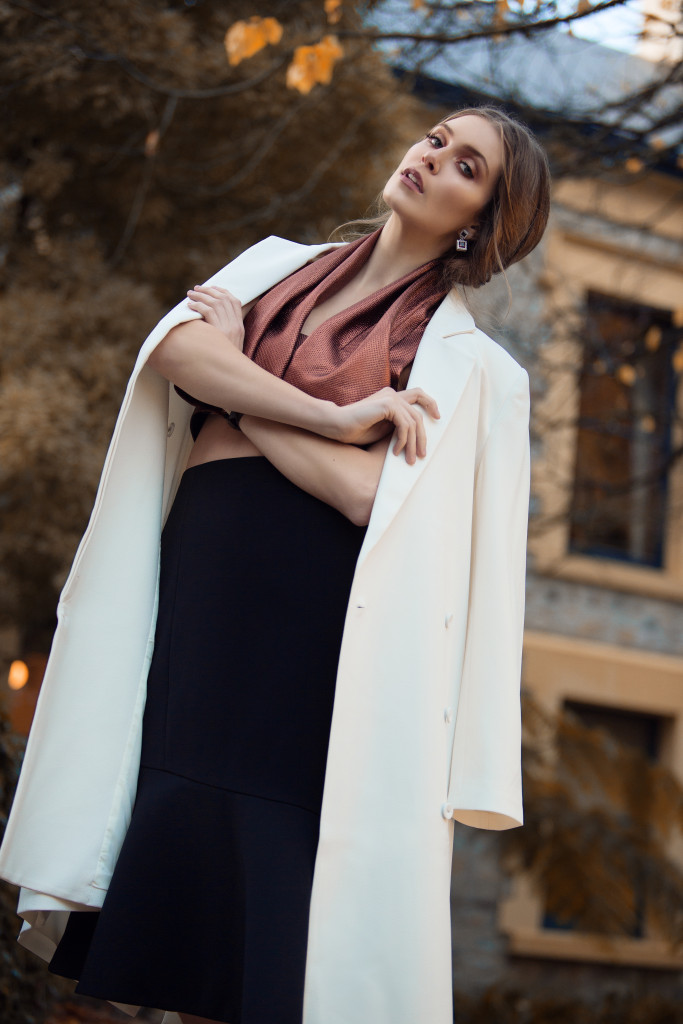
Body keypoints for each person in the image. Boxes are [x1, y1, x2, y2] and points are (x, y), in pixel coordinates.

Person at [0, 106, 550, 1024]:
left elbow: (373, 501)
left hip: (312, 626)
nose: (431, 158)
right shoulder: (269, 263)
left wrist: (240, 392)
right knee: (174, 878)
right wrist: (334, 419)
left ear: (476, 223)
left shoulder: (479, 371)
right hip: (198, 590)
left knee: (273, 908)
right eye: (434, 138)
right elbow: (173, 351)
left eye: (465, 167)